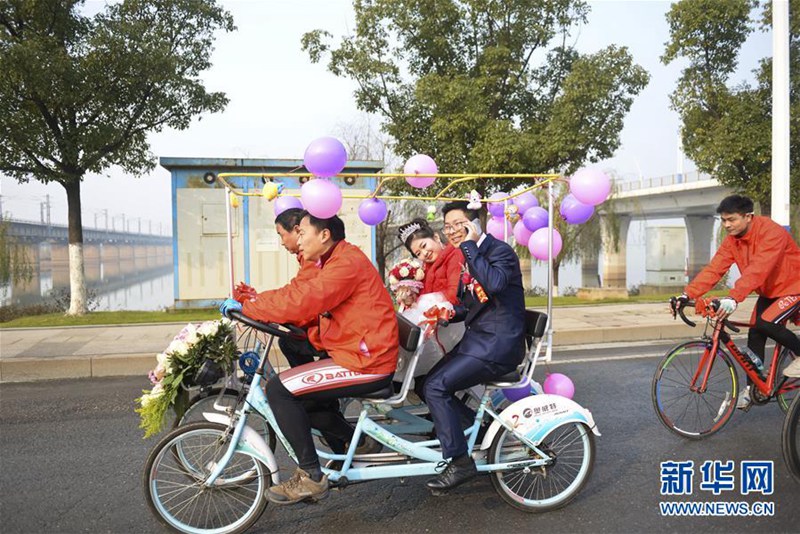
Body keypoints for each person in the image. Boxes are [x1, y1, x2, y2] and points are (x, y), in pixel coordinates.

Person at [220, 212, 399, 504]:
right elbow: (299, 293)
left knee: (278, 389)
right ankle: (356, 443)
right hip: (356, 354)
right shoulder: (334, 259)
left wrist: (250, 306)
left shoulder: (345, 263)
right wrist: (253, 304)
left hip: (366, 361)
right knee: (304, 400)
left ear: (324, 234)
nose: (297, 239)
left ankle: (311, 476)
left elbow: (304, 301)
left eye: (302, 233)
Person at [422, 200, 527, 492]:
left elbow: (493, 284)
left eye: (458, 225)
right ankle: (480, 434)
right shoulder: (470, 255)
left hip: (498, 345)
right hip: (478, 341)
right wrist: (448, 313)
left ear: (475, 223)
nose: (452, 232)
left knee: (435, 387)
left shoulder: (499, 251)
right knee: (426, 384)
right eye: (447, 227)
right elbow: (472, 306)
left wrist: (469, 246)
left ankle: (460, 462)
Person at [675, 195, 800, 406]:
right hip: (770, 292)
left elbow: (758, 270)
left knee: (766, 323)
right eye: (723, 220)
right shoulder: (732, 240)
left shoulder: (771, 232)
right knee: (755, 332)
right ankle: (754, 389)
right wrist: (688, 294)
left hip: (794, 287)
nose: (726, 225)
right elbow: (715, 269)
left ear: (748, 216)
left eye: (731, 219)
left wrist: (734, 298)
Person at [393, 218, 466, 384]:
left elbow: (454, 294)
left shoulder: (455, 255)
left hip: (451, 320)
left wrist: (428, 304)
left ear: (436, 238)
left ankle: (403, 383)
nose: (424, 254)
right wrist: (410, 298)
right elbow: (422, 297)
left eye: (424, 246)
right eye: (418, 253)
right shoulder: (425, 268)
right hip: (434, 320)